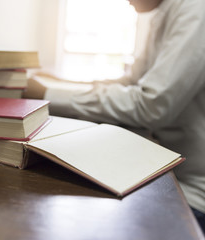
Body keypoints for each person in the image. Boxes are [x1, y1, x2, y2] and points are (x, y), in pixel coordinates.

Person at [24, 0, 205, 233]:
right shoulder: (166, 12)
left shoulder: (195, 10)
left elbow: (151, 105)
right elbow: (132, 82)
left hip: (190, 195)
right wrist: (65, 86)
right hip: (164, 175)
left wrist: (50, 94)